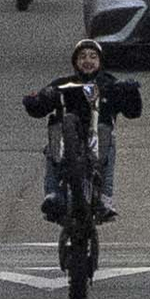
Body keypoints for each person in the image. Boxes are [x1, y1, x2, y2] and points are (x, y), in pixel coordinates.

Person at [23, 37, 142, 222]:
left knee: (108, 138)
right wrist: (35, 99)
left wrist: (131, 91)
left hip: (99, 140)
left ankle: (104, 199)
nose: (87, 61)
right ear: (75, 62)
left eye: (93, 57)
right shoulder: (63, 84)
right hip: (66, 143)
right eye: (83, 57)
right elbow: (38, 107)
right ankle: (53, 194)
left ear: (100, 62)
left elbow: (133, 112)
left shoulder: (110, 84)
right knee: (54, 134)